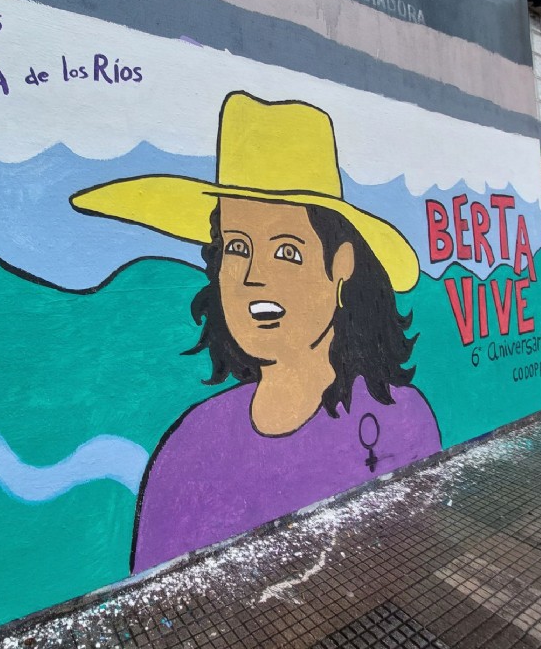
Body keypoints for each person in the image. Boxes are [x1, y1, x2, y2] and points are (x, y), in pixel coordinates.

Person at [71, 91, 442, 572]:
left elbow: (414, 562)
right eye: (238, 247)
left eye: (286, 251)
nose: (252, 278)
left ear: (341, 266)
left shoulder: (402, 417)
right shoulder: (190, 450)